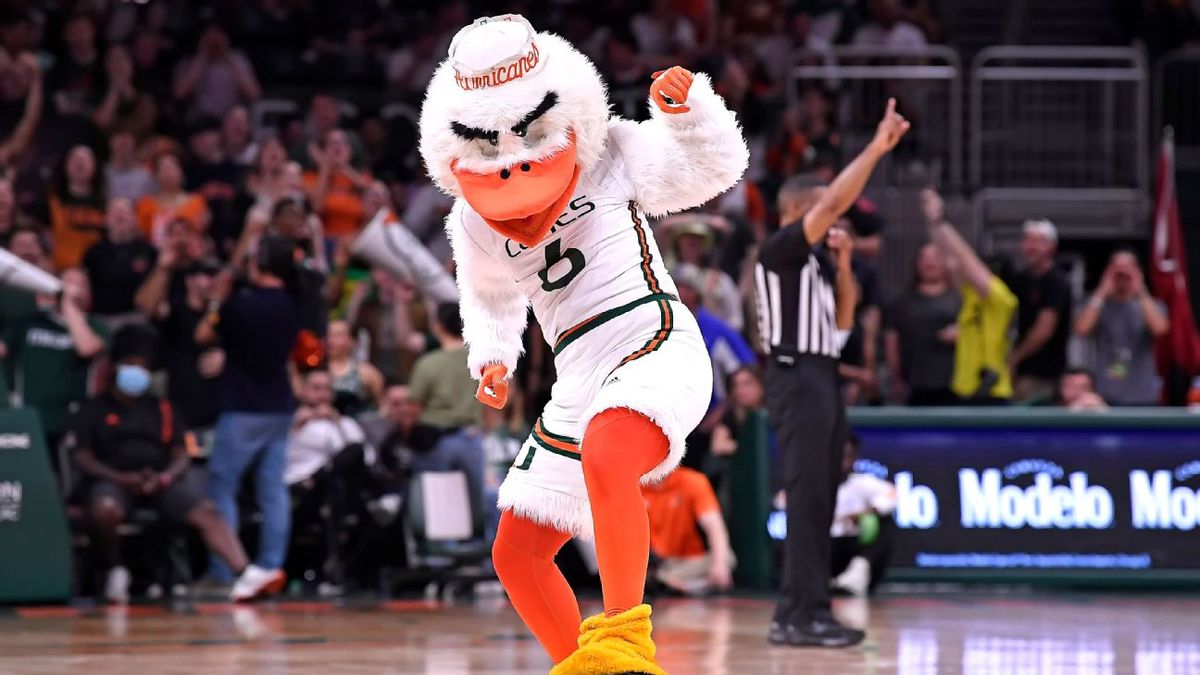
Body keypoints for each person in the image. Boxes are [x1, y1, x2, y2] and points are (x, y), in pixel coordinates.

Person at [421, 15, 743, 671]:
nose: (511, 154)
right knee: (516, 551)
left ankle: (624, 641)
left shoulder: (610, 153)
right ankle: (587, 667)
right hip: (577, 376)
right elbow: (488, 294)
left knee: (608, 451)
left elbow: (715, 169)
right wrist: (492, 356)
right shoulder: (473, 219)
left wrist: (692, 114)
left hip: (650, 338)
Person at [754, 100, 908, 648]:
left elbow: (844, 321)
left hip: (823, 373)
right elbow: (837, 198)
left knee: (821, 497)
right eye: (824, 210)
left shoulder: (816, 264)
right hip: (796, 376)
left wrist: (842, 265)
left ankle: (810, 610)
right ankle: (797, 615)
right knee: (807, 498)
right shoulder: (780, 251)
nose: (836, 218)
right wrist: (876, 148)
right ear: (798, 210)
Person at [67, 326, 253, 604]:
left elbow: (182, 454)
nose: (138, 372)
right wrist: (120, 478)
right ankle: (116, 569)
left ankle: (246, 575)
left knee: (207, 511)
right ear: (116, 367)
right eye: (131, 365)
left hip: (159, 481)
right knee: (105, 509)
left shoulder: (163, 407)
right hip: (113, 480)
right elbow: (82, 457)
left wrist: (166, 476)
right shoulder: (93, 409)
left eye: (144, 367)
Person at [197, 235, 299, 601]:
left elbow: (204, 333)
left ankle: (225, 570)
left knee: (221, 487)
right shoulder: (291, 303)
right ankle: (270, 567)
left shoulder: (242, 304)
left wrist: (216, 300)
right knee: (273, 491)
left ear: (260, 263)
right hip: (280, 407)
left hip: (244, 407)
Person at [0, 267, 107, 465]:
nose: (73, 288)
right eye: (67, 282)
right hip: (28, 413)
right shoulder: (30, 321)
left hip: (71, 418)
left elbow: (87, 348)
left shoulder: (96, 326)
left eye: (80, 284)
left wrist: (68, 305)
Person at [921, 188, 1018, 404]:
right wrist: (933, 224)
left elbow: (967, 261)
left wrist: (940, 221)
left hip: (991, 393)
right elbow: (951, 260)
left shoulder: (1002, 300)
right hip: (966, 391)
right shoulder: (972, 296)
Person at [285, 368, 369, 590]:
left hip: (333, 488)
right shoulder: (289, 421)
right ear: (303, 391)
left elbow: (365, 457)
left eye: (327, 389)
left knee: (348, 461)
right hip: (299, 489)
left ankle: (340, 570)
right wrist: (295, 429)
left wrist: (338, 423)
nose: (322, 394)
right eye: (316, 388)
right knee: (334, 486)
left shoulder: (345, 423)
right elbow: (277, 461)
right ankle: (334, 571)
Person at [1074, 251, 1170, 406]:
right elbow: (1081, 330)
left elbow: (1159, 329)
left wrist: (1140, 288)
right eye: (1117, 270)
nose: (1123, 275)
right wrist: (1102, 290)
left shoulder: (1151, 304)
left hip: (1143, 393)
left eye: (1128, 269)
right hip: (1105, 392)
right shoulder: (1097, 305)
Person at [884, 243, 961, 405]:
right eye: (925, 258)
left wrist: (962, 335)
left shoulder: (959, 300)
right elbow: (892, 340)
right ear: (916, 264)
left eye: (935, 257)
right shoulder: (902, 302)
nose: (930, 262)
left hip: (954, 382)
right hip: (914, 383)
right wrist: (895, 377)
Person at [643, 466, 735, 596]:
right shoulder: (634, 486)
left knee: (727, 557)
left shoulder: (692, 481)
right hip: (650, 563)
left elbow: (714, 526)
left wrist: (719, 564)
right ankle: (672, 583)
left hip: (687, 562)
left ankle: (666, 582)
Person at [1009, 219, 1072, 403]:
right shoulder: (1019, 280)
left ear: (1052, 247)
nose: (1032, 247)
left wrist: (1014, 358)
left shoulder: (1057, 282)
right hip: (1018, 372)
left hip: (1043, 375)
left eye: (1038, 241)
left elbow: (1045, 328)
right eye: (1027, 240)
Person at [828, 434, 896, 596]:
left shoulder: (862, 483)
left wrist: (865, 513)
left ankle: (856, 575)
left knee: (886, 522)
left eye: (848, 455)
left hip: (853, 549)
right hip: (826, 549)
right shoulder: (813, 484)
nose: (843, 461)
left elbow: (892, 495)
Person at [82, 197, 157, 322]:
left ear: (135, 219)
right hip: (101, 317)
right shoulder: (93, 252)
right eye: (115, 212)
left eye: (125, 212)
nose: (119, 216)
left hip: (138, 318)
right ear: (105, 219)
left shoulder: (149, 252)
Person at [172, 23, 261, 123]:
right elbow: (179, 94)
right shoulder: (188, 62)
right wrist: (202, 57)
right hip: (199, 122)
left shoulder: (238, 60)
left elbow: (254, 94)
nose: (214, 41)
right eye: (209, 36)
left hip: (230, 122)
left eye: (218, 35)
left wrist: (228, 56)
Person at [409, 304, 478, 432]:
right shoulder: (482, 361)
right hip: (474, 434)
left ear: (438, 327)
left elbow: (414, 404)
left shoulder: (428, 363)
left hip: (434, 434)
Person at [47, 144, 107, 270]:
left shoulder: (106, 203)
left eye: (85, 160)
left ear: (94, 166)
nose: (80, 164)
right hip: (59, 268)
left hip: (95, 269)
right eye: (75, 159)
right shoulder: (51, 199)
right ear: (66, 165)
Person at [136, 153, 210, 246]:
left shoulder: (197, 202)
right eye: (165, 168)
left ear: (181, 172)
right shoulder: (145, 204)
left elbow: (201, 234)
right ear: (156, 174)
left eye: (173, 168)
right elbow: (142, 236)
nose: (169, 173)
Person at [326, 320, 384, 416]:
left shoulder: (367, 372)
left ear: (352, 341)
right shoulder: (316, 370)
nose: (330, 340)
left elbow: (381, 406)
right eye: (328, 335)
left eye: (337, 335)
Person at [104, 130, 155, 202]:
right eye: (120, 146)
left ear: (134, 146)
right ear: (111, 144)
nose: (123, 151)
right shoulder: (104, 174)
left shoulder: (145, 176)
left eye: (126, 145)